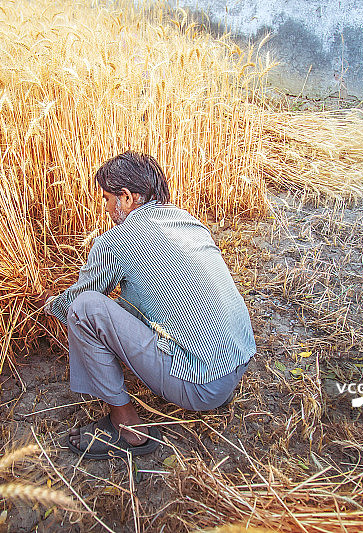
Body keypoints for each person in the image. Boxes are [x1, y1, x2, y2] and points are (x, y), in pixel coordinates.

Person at [39, 151, 255, 459]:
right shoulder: (186, 220)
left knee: (86, 309)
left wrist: (49, 303)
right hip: (238, 362)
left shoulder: (115, 241)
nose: (107, 209)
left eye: (107, 199)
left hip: (203, 388)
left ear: (126, 197)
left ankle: (127, 428)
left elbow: (76, 302)